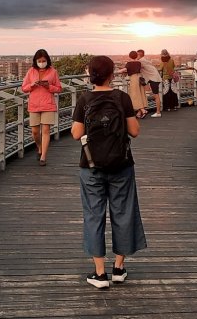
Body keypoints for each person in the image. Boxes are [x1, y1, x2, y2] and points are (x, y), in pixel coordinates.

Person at [71, 55, 147, 288]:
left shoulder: (84, 99)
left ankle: (100, 273)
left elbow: (75, 133)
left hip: (91, 166)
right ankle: (118, 268)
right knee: (123, 213)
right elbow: (134, 131)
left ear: (90, 74)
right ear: (112, 74)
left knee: (94, 215)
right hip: (121, 165)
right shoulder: (121, 98)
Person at [20, 49, 63, 166]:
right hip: (34, 104)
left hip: (48, 104)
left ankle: (43, 156)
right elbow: (23, 88)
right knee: (34, 131)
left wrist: (49, 86)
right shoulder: (31, 71)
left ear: (47, 60)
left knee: (45, 130)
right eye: (39, 61)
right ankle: (39, 147)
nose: (42, 62)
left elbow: (59, 88)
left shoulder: (53, 71)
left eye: (44, 60)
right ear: (35, 61)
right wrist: (32, 85)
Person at [137, 49, 163, 117]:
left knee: (156, 96)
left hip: (153, 78)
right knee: (155, 95)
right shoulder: (144, 59)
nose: (136, 56)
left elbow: (135, 68)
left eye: (137, 54)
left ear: (139, 54)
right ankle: (141, 112)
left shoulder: (140, 61)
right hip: (154, 77)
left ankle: (158, 112)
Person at [125, 50, 149, 118]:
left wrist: (117, 71)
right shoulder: (139, 63)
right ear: (136, 56)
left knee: (134, 95)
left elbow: (125, 69)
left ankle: (143, 110)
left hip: (134, 79)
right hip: (139, 78)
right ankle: (139, 113)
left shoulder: (129, 63)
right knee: (140, 94)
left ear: (129, 56)